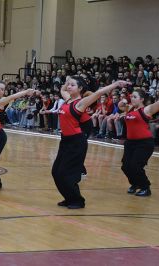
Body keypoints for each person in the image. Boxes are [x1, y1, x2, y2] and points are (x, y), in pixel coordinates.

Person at [54, 77, 130, 209]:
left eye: (73, 85)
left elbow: (98, 94)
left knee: (66, 173)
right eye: (69, 85)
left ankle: (78, 201)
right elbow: (62, 89)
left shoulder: (80, 103)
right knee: (56, 172)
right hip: (65, 141)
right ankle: (69, 198)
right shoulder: (67, 99)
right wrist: (68, 80)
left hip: (76, 142)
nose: (69, 87)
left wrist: (116, 84)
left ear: (80, 89)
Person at [120, 87, 159, 196]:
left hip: (144, 143)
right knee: (125, 166)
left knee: (135, 166)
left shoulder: (147, 109)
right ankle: (135, 184)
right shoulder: (129, 108)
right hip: (130, 143)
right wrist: (125, 99)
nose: (132, 99)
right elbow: (120, 105)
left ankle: (146, 187)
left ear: (141, 99)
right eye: (132, 97)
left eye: (135, 97)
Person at [0, 81, 38, 189]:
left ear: (3, 92)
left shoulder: (1, 102)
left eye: (2, 89)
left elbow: (12, 96)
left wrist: (27, 91)